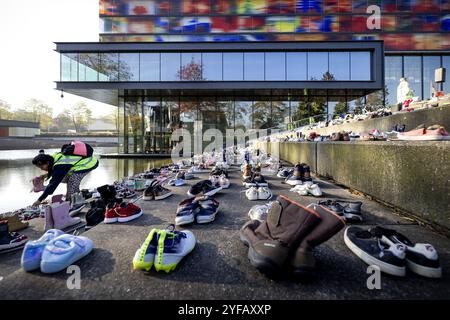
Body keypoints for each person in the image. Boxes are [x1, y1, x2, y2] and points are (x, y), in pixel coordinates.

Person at [31, 143, 99, 207]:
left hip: (88, 163)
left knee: (72, 180)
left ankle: (71, 202)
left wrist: (39, 200)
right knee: (66, 179)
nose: (41, 169)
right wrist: (45, 175)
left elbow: (54, 183)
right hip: (81, 163)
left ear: (47, 163)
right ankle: (77, 197)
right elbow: (55, 170)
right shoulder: (52, 157)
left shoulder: (60, 165)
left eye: (42, 167)